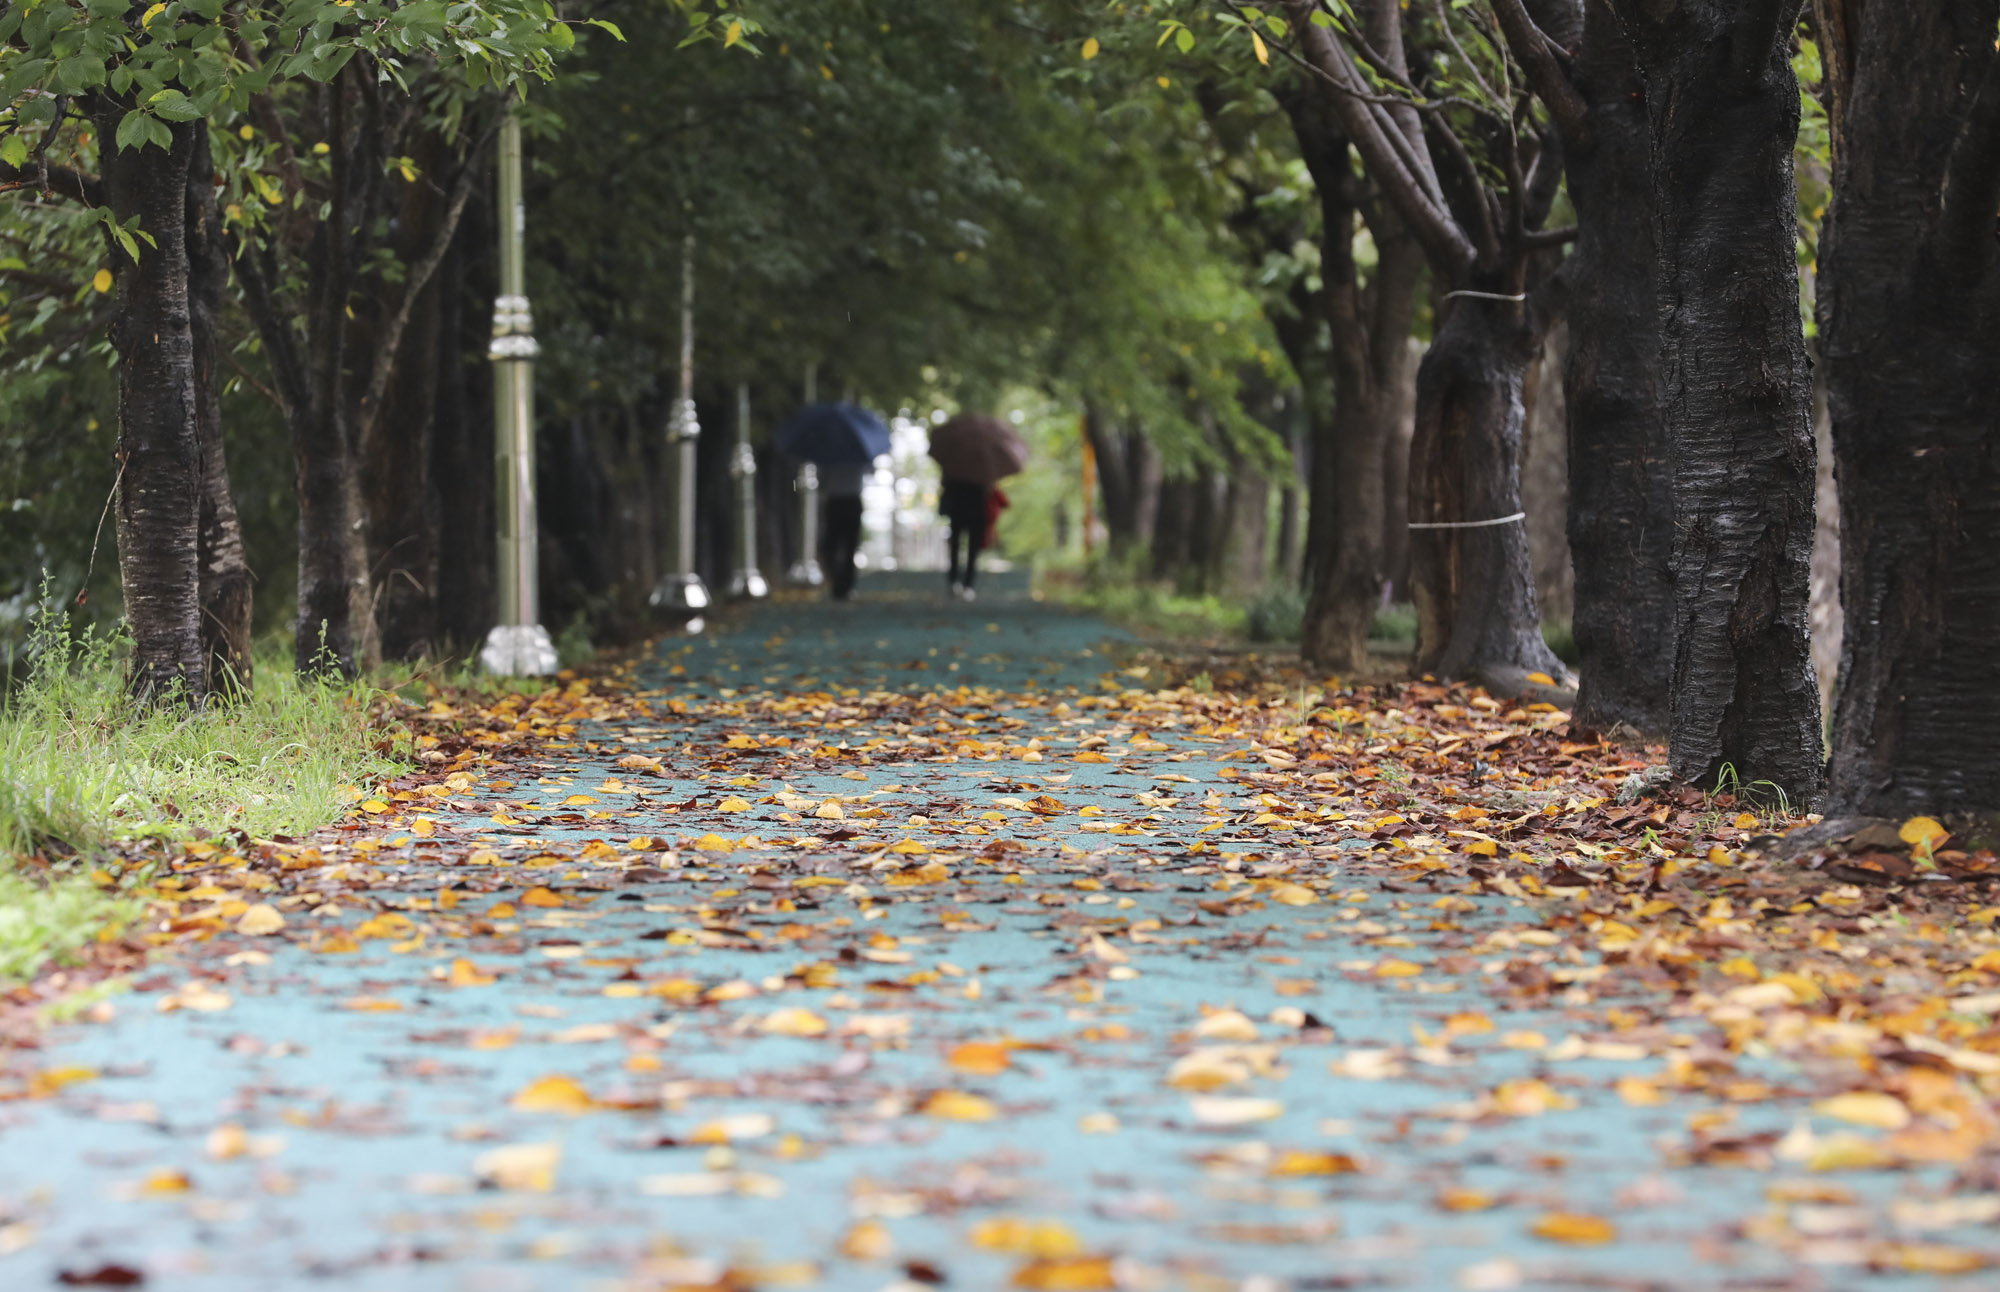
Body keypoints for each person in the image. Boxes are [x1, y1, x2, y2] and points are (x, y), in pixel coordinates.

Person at [820, 460, 867, 601]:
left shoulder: (830, 457)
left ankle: (843, 585)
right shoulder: (858, 456)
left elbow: (822, 481)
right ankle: (840, 583)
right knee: (835, 546)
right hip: (842, 501)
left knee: (845, 546)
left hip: (842, 501)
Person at [940, 477, 990, 601]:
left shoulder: (957, 469)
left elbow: (945, 483)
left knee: (959, 547)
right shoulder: (982, 471)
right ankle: (966, 584)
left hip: (960, 510)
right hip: (972, 511)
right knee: (969, 549)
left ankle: (957, 581)